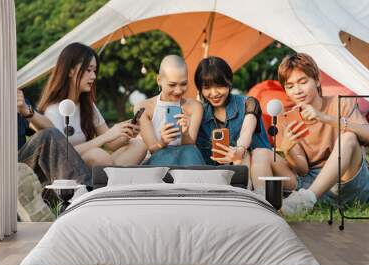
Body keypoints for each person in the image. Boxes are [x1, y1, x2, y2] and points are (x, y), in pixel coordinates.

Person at [251, 53, 369, 216]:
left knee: (349, 137)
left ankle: (306, 200)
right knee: (260, 153)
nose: (297, 90)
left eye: (303, 82)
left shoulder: (340, 103)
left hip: (346, 182)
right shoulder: (285, 119)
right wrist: (287, 148)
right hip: (311, 182)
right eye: (290, 86)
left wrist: (324, 118)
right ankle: (264, 208)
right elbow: (302, 169)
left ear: (317, 80)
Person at [37, 42, 147, 167]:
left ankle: (111, 179)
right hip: (66, 171)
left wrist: (126, 134)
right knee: (98, 155)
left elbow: (111, 144)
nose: (94, 76)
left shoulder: (88, 105)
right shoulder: (53, 110)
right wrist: (104, 137)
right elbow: (62, 153)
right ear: (70, 71)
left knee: (138, 145)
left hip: (93, 167)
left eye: (94, 71)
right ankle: (112, 179)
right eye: (88, 70)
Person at [194, 56, 271, 184]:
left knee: (243, 155)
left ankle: (252, 197)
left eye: (219, 86)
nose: (214, 93)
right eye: (207, 88)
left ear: (229, 82)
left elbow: (246, 130)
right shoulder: (200, 114)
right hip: (222, 176)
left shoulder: (248, 103)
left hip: (260, 168)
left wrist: (239, 150)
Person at [135, 55, 205, 165]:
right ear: (159, 80)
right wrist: (162, 142)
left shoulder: (195, 107)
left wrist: (185, 133)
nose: (178, 91)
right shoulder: (144, 108)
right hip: (159, 157)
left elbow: (190, 144)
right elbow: (152, 149)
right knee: (166, 157)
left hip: (186, 156)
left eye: (183, 84)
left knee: (190, 152)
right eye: (172, 85)